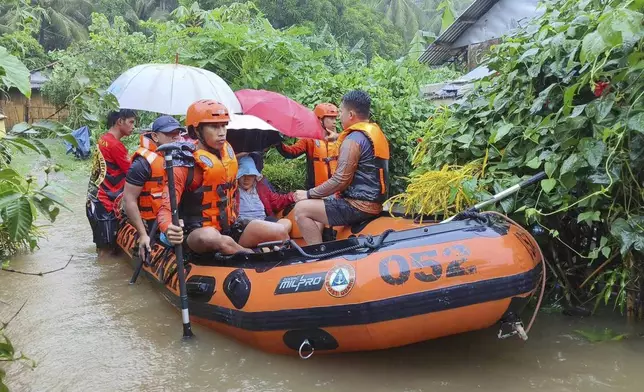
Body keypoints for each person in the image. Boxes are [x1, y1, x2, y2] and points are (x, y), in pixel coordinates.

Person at [158, 99, 290, 255]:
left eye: (223, 125)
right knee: (210, 237)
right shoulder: (185, 165)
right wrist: (168, 227)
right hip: (196, 234)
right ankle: (250, 255)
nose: (221, 132)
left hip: (228, 228)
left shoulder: (227, 153)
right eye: (214, 127)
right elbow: (165, 209)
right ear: (196, 131)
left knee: (278, 231)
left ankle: (256, 256)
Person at [292, 90, 390, 245]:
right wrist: (338, 137)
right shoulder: (373, 132)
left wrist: (309, 194)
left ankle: (317, 255)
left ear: (351, 114)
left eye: (341, 112)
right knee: (323, 198)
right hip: (374, 203)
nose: (339, 117)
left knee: (301, 209)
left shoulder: (352, 140)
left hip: (358, 206)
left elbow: (340, 180)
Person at [123, 115, 183, 260]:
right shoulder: (142, 163)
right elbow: (128, 199)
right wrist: (143, 234)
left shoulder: (182, 157)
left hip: (172, 215)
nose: (175, 137)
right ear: (155, 136)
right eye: (169, 134)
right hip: (152, 222)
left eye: (177, 133)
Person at [86, 109, 137, 257]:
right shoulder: (115, 145)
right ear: (120, 121)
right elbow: (133, 172)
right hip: (105, 203)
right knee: (106, 252)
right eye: (131, 122)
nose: (133, 126)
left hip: (95, 200)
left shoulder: (103, 139)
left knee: (103, 246)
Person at [276, 103, 340, 189]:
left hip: (336, 190)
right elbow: (291, 152)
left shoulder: (340, 138)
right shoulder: (309, 140)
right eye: (331, 118)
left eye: (335, 118)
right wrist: (277, 142)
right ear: (320, 120)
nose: (335, 122)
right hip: (316, 190)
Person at [235, 156, 294, 233]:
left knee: (286, 223)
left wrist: (294, 196)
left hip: (264, 221)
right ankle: (273, 237)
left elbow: (276, 201)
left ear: (255, 176)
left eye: (250, 175)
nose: (247, 179)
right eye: (243, 175)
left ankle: (273, 237)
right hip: (244, 224)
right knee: (269, 229)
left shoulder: (261, 187)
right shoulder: (232, 190)